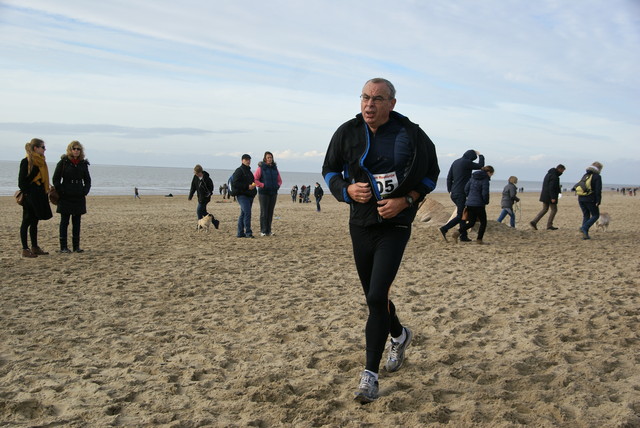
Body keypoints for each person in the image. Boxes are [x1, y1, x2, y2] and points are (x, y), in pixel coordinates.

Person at [322, 78, 439, 403]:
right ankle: (400, 335)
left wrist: (408, 200)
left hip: (395, 224)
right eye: (364, 97)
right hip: (360, 223)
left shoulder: (412, 135)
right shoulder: (347, 132)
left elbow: (431, 172)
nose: (369, 104)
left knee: (376, 295)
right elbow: (329, 170)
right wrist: (346, 190)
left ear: (392, 104)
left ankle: (369, 377)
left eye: (377, 99)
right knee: (374, 299)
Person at [52, 141, 92, 253]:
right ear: (70, 149)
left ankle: (76, 246)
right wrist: (61, 191)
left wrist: (85, 191)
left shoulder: (83, 164)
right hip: (65, 195)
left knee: (77, 222)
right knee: (64, 221)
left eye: (78, 149)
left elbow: (87, 180)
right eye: (74, 148)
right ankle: (63, 246)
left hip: (78, 195)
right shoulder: (63, 162)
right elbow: (56, 179)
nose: (76, 151)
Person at [439, 150, 485, 242]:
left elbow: (449, 177)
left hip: (454, 193)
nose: (472, 161)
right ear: (471, 157)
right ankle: (444, 229)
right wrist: (480, 155)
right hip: (461, 193)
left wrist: (450, 190)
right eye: (473, 159)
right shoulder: (467, 162)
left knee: (463, 213)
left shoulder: (455, 162)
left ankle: (463, 236)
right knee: (460, 215)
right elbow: (480, 166)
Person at [18, 138, 53, 258]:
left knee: (35, 221)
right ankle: (25, 249)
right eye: (42, 147)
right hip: (30, 195)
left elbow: (44, 180)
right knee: (26, 221)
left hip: (39, 194)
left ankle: (35, 246)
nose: (44, 150)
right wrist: (28, 194)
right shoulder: (26, 162)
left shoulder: (42, 162)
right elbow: (22, 182)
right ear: (35, 148)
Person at [458, 166, 494, 244]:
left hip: (470, 203)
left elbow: (466, 189)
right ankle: (479, 240)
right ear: (488, 172)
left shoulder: (472, 178)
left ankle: (458, 232)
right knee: (483, 222)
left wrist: (470, 197)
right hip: (479, 204)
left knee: (471, 222)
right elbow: (485, 193)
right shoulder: (485, 180)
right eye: (491, 174)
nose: (491, 176)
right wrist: (486, 201)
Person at [254, 151, 282, 236]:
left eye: (271, 157)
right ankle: (263, 230)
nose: (270, 159)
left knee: (270, 212)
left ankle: (269, 230)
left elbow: (279, 180)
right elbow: (255, 179)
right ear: (265, 159)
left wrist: (277, 186)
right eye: (268, 157)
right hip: (263, 193)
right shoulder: (261, 168)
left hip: (273, 192)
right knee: (264, 212)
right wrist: (262, 185)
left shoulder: (275, 168)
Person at [529, 164, 566, 230]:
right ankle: (549, 225)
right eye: (562, 170)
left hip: (545, 195)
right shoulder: (554, 176)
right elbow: (551, 187)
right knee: (554, 210)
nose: (562, 172)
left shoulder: (549, 174)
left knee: (545, 209)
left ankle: (534, 221)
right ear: (559, 169)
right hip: (550, 196)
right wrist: (553, 197)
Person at [231, 154, 257, 238]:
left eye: (249, 159)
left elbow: (253, 183)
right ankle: (248, 232)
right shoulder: (239, 170)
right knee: (247, 213)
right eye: (246, 159)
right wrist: (247, 186)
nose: (248, 161)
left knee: (243, 214)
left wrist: (253, 190)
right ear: (242, 160)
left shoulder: (249, 172)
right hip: (242, 195)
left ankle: (240, 232)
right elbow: (235, 183)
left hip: (249, 196)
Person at [576, 162, 603, 240]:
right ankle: (584, 228)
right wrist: (598, 200)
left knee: (586, 215)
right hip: (590, 198)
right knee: (595, 215)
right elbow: (598, 189)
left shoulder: (585, 175)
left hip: (581, 198)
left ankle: (585, 235)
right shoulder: (597, 176)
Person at [188, 164, 219, 229]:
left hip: (205, 198)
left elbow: (211, 188)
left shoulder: (207, 178)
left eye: (197, 173)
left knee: (199, 210)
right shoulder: (195, 177)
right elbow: (193, 187)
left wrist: (209, 194)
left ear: (200, 172)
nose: (196, 174)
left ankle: (200, 224)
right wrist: (190, 196)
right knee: (203, 212)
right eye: (195, 173)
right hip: (200, 197)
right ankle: (215, 221)